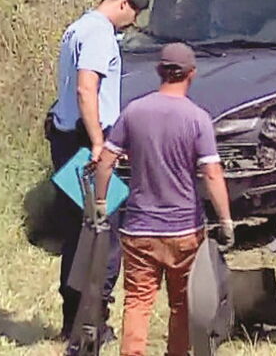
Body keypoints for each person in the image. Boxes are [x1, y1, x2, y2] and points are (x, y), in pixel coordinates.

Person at [94, 42, 235, 356]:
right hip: (184, 229)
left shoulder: (134, 111)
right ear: (191, 74)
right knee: (182, 304)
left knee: (137, 301)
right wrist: (225, 221)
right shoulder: (197, 119)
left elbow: (105, 161)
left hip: (139, 228)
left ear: (159, 71)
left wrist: (101, 203)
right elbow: (212, 174)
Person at [45, 0, 149, 342]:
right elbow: (86, 88)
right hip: (84, 142)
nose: (132, 22)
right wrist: (98, 143)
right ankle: (93, 323)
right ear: (121, 3)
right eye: (132, 14)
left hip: (65, 136)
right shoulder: (99, 33)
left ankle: (73, 319)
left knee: (80, 232)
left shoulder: (76, 28)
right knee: (104, 233)